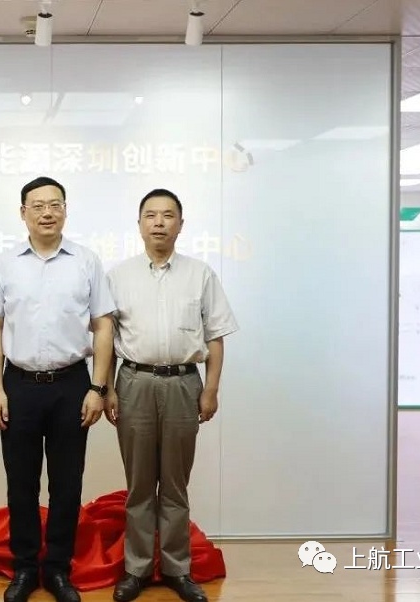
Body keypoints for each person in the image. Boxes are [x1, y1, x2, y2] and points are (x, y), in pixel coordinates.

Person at [0, 176, 115, 602]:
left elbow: (103, 325)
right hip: (19, 384)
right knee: (20, 483)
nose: (47, 213)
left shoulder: (86, 261)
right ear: (23, 212)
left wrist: (98, 387)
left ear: (65, 210)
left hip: (72, 384)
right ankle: (25, 568)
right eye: (38, 205)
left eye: (55, 204)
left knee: (67, 482)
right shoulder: (5, 263)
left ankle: (58, 568)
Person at [105, 189, 238, 602]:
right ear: (139, 224)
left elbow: (215, 337)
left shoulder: (200, 274)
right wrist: (106, 388)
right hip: (134, 383)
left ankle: (178, 569)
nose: (159, 222)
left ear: (181, 224)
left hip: (183, 383)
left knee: (176, 485)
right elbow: (106, 338)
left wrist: (211, 389)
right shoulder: (118, 276)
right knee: (140, 484)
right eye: (151, 215)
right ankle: (137, 569)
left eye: (167, 215)